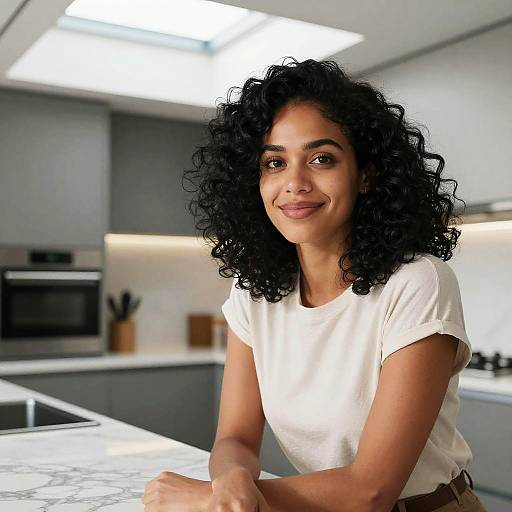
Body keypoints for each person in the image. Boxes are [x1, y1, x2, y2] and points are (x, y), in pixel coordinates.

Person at [141, 58, 488, 512]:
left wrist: (208, 501)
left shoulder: (417, 283)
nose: (294, 183)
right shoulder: (254, 295)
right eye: (274, 162)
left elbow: (371, 489)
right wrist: (229, 485)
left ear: (365, 174)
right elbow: (236, 437)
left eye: (321, 159)